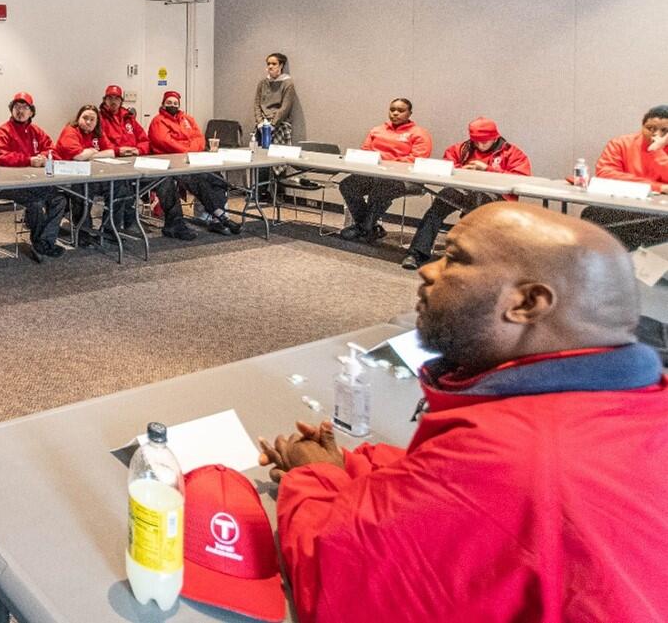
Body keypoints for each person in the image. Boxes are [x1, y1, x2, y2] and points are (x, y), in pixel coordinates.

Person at [259, 204, 668, 623]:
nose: (428, 271)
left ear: (527, 302)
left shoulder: (509, 454)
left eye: (454, 258)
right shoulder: (637, 404)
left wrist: (310, 473)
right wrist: (357, 464)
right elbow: (465, 492)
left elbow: (337, 578)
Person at [402, 116, 532, 269]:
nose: (480, 145)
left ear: (495, 137)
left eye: (484, 141)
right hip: (462, 190)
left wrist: (488, 170)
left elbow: (522, 178)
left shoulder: (512, 153)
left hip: (493, 195)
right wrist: (461, 170)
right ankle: (416, 253)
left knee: (478, 213)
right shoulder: (462, 148)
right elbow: (446, 166)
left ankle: (473, 260)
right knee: (438, 207)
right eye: (476, 141)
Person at [146, 91, 241, 237]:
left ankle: (217, 219)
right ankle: (221, 216)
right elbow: (165, 142)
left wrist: (190, 150)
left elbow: (200, 139)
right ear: (163, 104)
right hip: (170, 164)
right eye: (169, 103)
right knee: (198, 179)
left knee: (216, 177)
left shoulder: (188, 119)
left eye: (175, 103)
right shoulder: (158, 121)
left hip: (192, 160)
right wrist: (187, 149)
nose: (172, 105)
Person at [338, 98, 432, 243]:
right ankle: (370, 228)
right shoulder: (377, 130)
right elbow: (366, 151)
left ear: (410, 113)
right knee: (348, 184)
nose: (395, 113)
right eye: (392, 109)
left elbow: (417, 159)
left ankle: (363, 228)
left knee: (382, 188)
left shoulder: (419, 133)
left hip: (405, 179)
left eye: (400, 111)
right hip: (375, 174)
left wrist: (387, 164)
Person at [0, 91, 67, 261]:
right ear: (11, 110)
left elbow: (52, 149)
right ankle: (41, 244)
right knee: (36, 203)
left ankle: (44, 242)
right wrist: (28, 160)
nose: (21, 111)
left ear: (31, 112)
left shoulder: (36, 131)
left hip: (33, 182)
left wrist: (44, 156)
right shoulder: (3, 131)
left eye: (25, 107)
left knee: (59, 200)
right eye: (17, 107)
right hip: (7, 184)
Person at [584, 104, 668, 247]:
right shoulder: (621, 143)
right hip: (623, 205)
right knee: (592, 213)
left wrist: (657, 151)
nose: (656, 135)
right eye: (650, 128)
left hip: (660, 212)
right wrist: (658, 187)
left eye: (664, 131)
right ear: (642, 126)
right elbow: (605, 173)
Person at [55, 104, 118, 244]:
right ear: (79, 118)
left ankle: (109, 231)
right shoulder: (70, 131)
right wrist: (92, 153)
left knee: (120, 188)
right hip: (69, 179)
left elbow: (111, 153)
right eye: (85, 118)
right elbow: (78, 156)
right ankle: (84, 234)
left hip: (94, 177)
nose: (88, 122)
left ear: (97, 122)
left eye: (92, 119)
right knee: (81, 190)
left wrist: (90, 153)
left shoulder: (98, 133)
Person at [255, 52, 314, 188]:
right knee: (260, 158)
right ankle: (261, 191)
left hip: (279, 125)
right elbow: (257, 104)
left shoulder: (288, 83)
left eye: (274, 64)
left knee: (279, 159)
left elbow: (285, 107)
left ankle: (277, 192)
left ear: (281, 65)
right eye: (268, 64)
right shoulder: (262, 83)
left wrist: (273, 124)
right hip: (262, 124)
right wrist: (260, 122)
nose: (270, 66)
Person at [98, 84, 148, 232]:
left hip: (134, 162)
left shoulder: (129, 118)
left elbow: (144, 140)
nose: (113, 101)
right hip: (110, 165)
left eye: (117, 98)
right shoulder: (98, 118)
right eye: (110, 98)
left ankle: (174, 223)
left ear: (121, 101)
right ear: (105, 100)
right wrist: (118, 151)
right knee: (123, 184)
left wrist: (139, 150)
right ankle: (114, 227)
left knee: (165, 180)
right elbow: (101, 144)